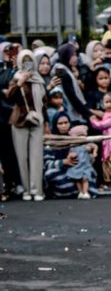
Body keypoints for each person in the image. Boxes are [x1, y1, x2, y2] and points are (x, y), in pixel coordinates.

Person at [10, 49, 46, 200]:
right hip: (20, 121)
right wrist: (20, 82)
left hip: (37, 120)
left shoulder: (39, 80)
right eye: (24, 62)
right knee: (22, 157)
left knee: (36, 156)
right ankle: (26, 190)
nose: (28, 65)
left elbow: (44, 102)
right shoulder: (16, 77)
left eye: (30, 61)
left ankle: (36, 190)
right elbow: (10, 97)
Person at [42, 112, 83, 198]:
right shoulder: (50, 142)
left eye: (66, 123)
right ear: (55, 125)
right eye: (60, 123)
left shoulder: (75, 139)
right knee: (49, 173)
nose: (64, 126)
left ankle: (81, 191)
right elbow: (47, 164)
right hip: (60, 172)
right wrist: (64, 162)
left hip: (75, 173)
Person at [65, 125, 98, 199]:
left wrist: (94, 152)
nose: (81, 137)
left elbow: (95, 146)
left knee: (85, 178)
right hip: (76, 165)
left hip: (85, 165)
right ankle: (81, 192)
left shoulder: (87, 144)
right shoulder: (73, 146)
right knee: (77, 179)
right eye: (79, 135)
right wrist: (70, 156)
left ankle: (85, 192)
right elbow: (69, 154)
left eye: (83, 135)